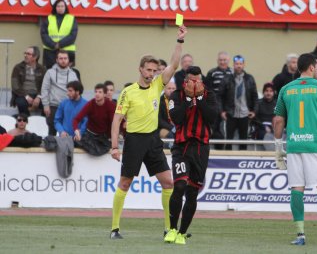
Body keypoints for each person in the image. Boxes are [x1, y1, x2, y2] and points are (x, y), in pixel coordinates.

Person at [109, 26, 187, 239]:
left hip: (153, 141)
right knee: (125, 183)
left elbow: (174, 65)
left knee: (168, 182)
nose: (152, 74)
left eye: (155, 70)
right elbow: (116, 120)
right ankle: (115, 228)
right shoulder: (128, 92)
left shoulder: (157, 86)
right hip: (134, 141)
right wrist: (115, 147)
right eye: (149, 70)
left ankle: (168, 228)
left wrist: (179, 41)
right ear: (140, 69)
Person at [273, 53, 317, 246]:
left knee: (297, 188)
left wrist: (278, 149)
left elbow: (278, 119)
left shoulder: (286, 89)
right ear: (311, 67)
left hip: (294, 145)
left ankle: (300, 236)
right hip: (315, 145)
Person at [164, 66, 217, 245]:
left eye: (198, 81)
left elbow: (212, 117)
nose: (196, 84)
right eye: (192, 81)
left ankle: (182, 232)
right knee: (179, 185)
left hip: (201, 149)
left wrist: (199, 98)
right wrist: (188, 98)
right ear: (185, 81)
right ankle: (171, 229)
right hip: (181, 147)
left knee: (192, 192)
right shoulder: (176, 96)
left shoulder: (210, 95)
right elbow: (176, 118)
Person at [218, 55, 258, 150]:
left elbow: (255, 97)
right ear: (233, 65)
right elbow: (219, 96)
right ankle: (228, 161)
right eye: (236, 64)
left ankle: (242, 161)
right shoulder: (227, 78)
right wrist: (221, 111)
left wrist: (254, 111)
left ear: (244, 65)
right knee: (228, 140)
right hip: (231, 114)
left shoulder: (250, 79)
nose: (238, 66)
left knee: (243, 141)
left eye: (240, 64)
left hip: (245, 115)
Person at [41, 50, 79, 136]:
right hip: (53, 106)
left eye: (65, 58)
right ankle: (51, 148)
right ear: (56, 60)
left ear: (68, 60)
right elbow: (44, 89)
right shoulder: (49, 72)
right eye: (61, 58)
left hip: (68, 106)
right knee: (52, 132)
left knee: (67, 132)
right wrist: (45, 105)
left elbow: (77, 92)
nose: (63, 60)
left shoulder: (73, 74)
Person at [73, 83, 116, 155]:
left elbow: (114, 123)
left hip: (103, 136)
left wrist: (112, 137)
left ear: (105, 94)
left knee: (103, 149)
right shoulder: (91, 103)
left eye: (100, 92)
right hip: (89, 135)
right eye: (96, 92)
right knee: (77, 141)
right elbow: (76, 119)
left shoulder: (111, 105)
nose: (97, 94)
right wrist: (76, 130)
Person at [205, 51, 233, 149]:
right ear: (217, 61)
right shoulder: (212, 73)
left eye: (224, 60)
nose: (222, 62)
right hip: (214, 105)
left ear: (228, 61)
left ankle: (228, 150)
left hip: (229, 106)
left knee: (228, 130)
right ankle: (216, 150)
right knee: (214, 129)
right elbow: (207, 89)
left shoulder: (232, 72)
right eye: (220, 60)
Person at [41, 0, 78, 69]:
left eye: (62, 6)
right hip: (50, 51)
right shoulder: (49, 18)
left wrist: (59, 44)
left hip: (67, 51)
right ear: (55, 8)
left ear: (65, 7)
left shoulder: (71, 19)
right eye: (58, 6)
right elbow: (44, 34)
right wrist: (53, 45)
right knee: (51, 72)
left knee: (66, 74)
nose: (60, 8)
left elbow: (73, 35)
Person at [10, 46, 46, 115]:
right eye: (25, 53)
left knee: (48, 104)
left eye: (28, 54)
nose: (25, 55)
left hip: (37, 94)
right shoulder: (18, 68)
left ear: (35, 57)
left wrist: (39, 96)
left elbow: (45, 85)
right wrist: (26, 96)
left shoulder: (42, 69)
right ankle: (25, 121)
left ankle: (43, 123)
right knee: (21, 103)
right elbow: (15, 86)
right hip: (22, 94)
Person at [252, 82, 277, 150]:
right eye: (266, 91)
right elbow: (254, 118)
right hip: (261, 128)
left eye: (271, 91)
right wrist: (264, 127)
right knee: (266, 135)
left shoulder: (277, 104)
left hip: (274, 128)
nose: (268, 93)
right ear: (263, 92)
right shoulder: (258, 103)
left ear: (274, 92)